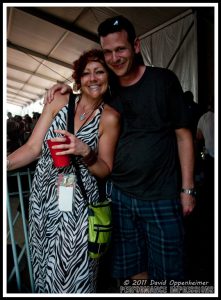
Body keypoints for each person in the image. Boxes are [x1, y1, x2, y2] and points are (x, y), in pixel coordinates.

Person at [44, 15, 196, 283]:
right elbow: (88, 86)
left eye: (120, 49)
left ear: (136, 46)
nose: (115, 58)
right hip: (119, 197)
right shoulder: (107, 86)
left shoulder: (163, 81)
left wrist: (187, 189)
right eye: (108, 52)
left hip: (161, 195)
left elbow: (184, 136)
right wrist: (67, 88)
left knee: (169, 273)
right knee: (131, 271)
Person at [7, 49, 120, 293]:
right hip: (44, 198)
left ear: (108, 76)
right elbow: (32, 147)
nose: (93, 78)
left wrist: (85, 152)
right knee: (44, 263)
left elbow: (105, 169)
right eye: (86, 73)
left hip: (77, 203)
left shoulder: (109, 117)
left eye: (99, 72)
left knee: (72, 268)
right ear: (78, 79)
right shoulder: (59, 101)